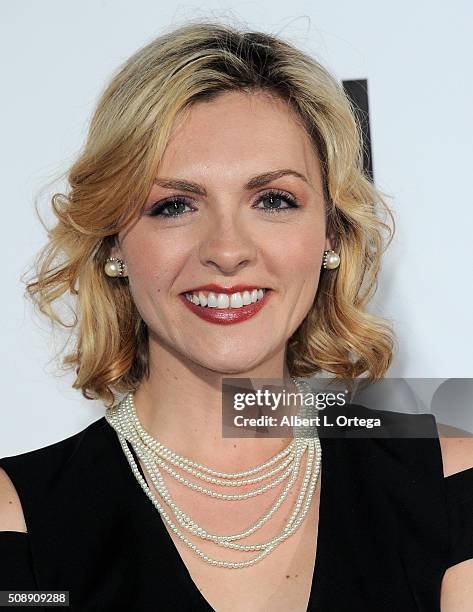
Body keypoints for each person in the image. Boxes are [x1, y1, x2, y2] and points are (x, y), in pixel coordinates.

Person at [1, 21, 472, 612]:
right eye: (174, 205)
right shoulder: (18, 519)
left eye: (274, 200)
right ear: (114, 242)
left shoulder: (449, 481)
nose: (226, 250)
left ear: (331, 230)